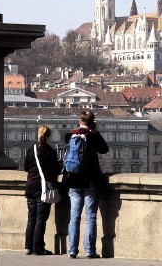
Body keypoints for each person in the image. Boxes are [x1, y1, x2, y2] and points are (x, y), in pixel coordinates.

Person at [65, 110, 109, 258]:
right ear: (92, 122)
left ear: (80, 120)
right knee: (90, 216)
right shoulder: (93, 136)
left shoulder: (72, 135)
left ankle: (72, 250)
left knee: (74, 216)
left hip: (74, 180)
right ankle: (89, 251)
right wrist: (94, 131)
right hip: (90, 180)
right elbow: (104, 149)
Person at [24, 124, 61, 256]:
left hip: (30, 187)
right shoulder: (50, 151)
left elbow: (26, 167)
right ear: (49, 136)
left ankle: (28, 247)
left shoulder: (31, 149)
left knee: (31, 217)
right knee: (41, 218)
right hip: (42, 188)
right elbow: (55, 170)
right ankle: (38, 248)